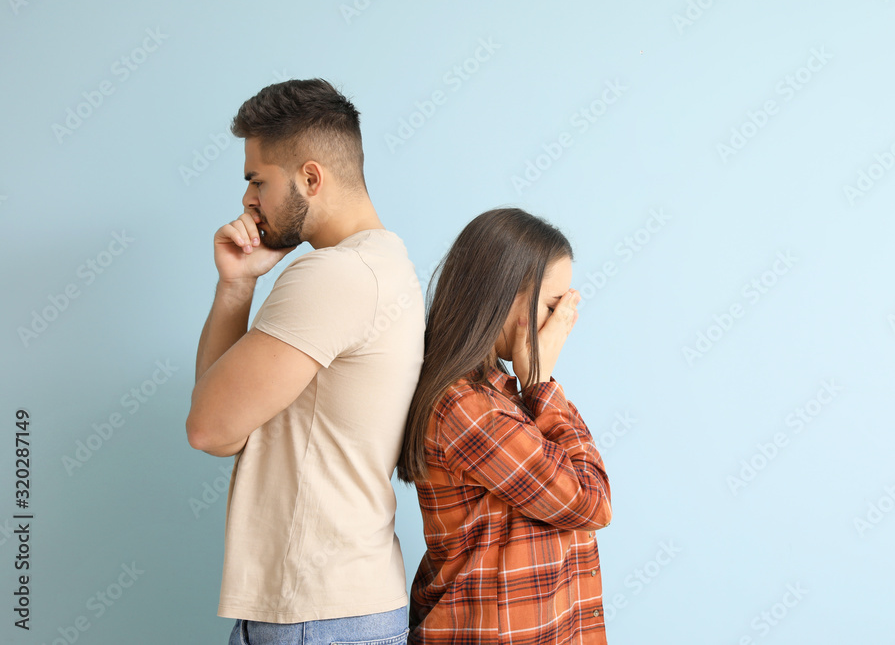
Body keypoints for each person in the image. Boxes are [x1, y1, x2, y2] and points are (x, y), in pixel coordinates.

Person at [185, 78, 424, 645]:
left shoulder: (335, 276)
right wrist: (237, 284)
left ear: (310, 178)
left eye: (257, 180)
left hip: (316, 614)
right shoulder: (385, 265)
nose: (248, 200)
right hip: (333, 605)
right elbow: (225, 422)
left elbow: (210, 430)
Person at [397, 208, 612, 644]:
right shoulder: (465, 407)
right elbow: (592, 503)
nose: (561, 323)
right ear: (507, 296)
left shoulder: (502, 396)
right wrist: (541, 383)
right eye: (554, 306)